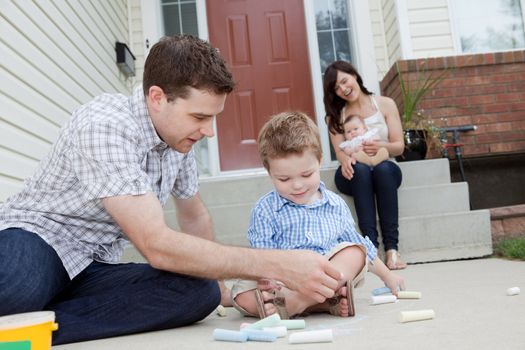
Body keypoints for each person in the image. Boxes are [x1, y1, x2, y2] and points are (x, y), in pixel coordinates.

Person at [0, 35, 345, 345]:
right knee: (19, 285)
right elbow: (156, 246)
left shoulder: (177, 142)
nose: (209, 131)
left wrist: (222, 289)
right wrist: (278, 265)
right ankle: (25, 315)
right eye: (199, 117)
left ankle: (30, 330)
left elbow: (193, 216)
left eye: (213, 118)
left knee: (199, 292)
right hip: (37, 241)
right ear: (157, 98)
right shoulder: (105, 126)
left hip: (90, 267)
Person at [231, 111, 405, 319]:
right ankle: (321, 302)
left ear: (320, 161)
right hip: (285, 278)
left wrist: (388, 276)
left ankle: (298, 303)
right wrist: (271, 282)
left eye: (306, 174)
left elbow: (363, 248)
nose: (297, 185)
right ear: (269, 172)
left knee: (355, 252)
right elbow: (264, 257)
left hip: (328, 272)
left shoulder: (334, 204)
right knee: (240, 294)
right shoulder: (265, 209)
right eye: (284, 179)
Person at [323, 60, 407, 270]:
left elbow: (399, 147)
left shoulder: (385, 104)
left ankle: (392, 250)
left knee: (383, 170)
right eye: (337, 88)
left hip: (384, 166)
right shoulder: (335, 117)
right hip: (355, 172)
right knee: (360, 171)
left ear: (354, 75)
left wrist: (381, 145)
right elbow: (342, 154)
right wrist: (349, 160)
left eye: (345, 81)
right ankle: (371, 249)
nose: (343, 89)